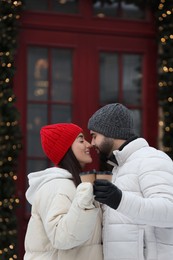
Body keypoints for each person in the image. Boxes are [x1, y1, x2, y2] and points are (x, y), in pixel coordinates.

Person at [87, 103, 173, 260]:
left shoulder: (151, 159)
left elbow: (169, 211)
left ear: (110, 133)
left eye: (94, 136)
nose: (92, 143)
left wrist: (120, 200)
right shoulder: (119, 168)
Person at [24, 123, 103, 260]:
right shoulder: (56, 186)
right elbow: (63, 237)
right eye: (81, 140)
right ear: (66, 149)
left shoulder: (72, 184)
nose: (89, 144)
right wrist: (86, 194)